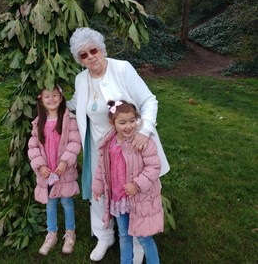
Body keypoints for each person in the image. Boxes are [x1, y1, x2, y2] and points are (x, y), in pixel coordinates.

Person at [67, 27, 169, 262]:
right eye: (83, 55)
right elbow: (76, 103)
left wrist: (145, 131)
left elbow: (149, 100)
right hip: (100, 149)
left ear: (101, 49)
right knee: (100, 192)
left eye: (93, 50)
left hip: (131, 146)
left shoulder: (121, 68)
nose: (90, 57)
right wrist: (56, 100)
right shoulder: (81, 79)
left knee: (133, 193)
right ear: (79, 60)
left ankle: (137, 240)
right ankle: (104, 236)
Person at [92, 100, 163, 264]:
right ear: (113, 123)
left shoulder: (142, 142)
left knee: (144, 237)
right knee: (123, 234)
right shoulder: (108, 143)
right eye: (122, 122)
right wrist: (98, 187)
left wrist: (137, 185)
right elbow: (102, 167)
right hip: (118, 199)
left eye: (132, 121)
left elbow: (154, 166)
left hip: (139, 200)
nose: (129, 126)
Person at [28, 86, 81, 256]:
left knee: (66, 202)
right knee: (50, 203)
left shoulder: (69, 120)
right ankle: (52, 234)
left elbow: (74, 143)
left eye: (55, 95)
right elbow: (33, 146)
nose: (51, 99)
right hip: (47, 173)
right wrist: (41, 165)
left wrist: (65, 163)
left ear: (61, 97)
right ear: (41, 100)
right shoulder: (38, 123)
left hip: (63, 172)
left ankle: (70, 233)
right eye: (47, 96)